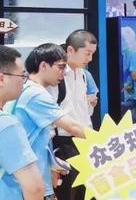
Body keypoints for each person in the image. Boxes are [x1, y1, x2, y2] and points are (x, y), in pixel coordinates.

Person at [8, 44, 87, 200]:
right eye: (60, 67)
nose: (64, 73)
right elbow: (72, 126)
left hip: (26, 180)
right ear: (43, 65)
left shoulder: (27, 89)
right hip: (32, 184)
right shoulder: (36, 93)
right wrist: (108, 140)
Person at [49, 30, 98, 200]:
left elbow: (83, 111)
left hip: (85, 140)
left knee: (89, 191)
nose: (90, 59)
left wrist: (90, 104)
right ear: (70, 50)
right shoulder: (57, 76)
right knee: (68, 192)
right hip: (64, 143)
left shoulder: (83, 74)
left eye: (92, 54)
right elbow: (53, 115)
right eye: (87, 53)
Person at [0, 46, 44, 200]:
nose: (24, 82)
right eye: (22, 75)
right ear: (1, 79)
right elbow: (34, 187)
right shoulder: (6, 124)